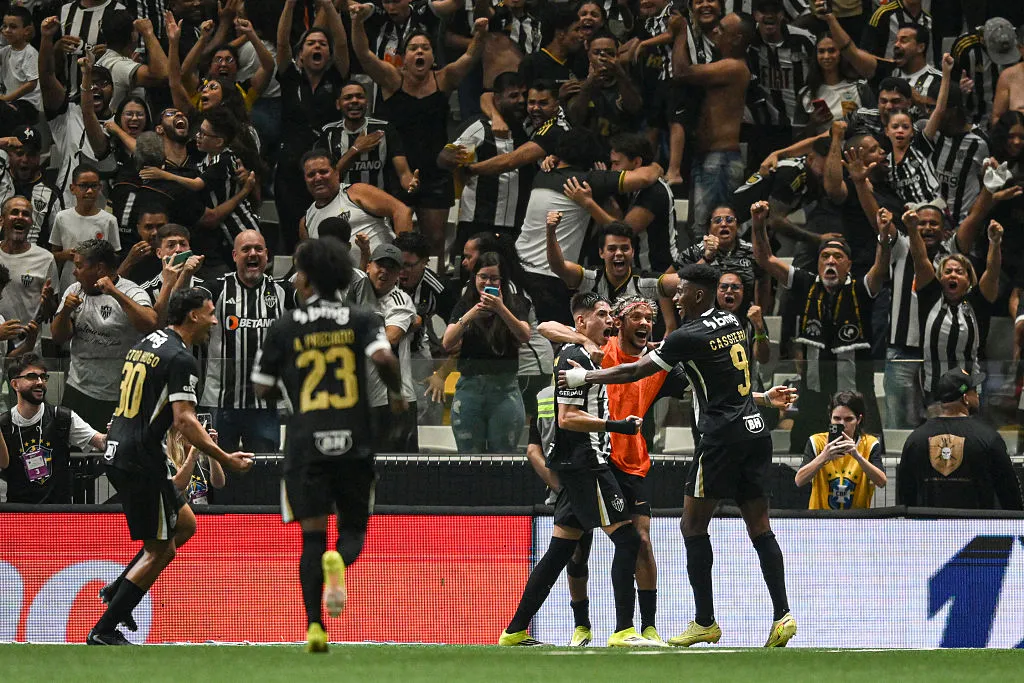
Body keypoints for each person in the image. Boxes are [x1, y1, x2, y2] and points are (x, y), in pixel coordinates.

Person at [559, 264, 798, 647]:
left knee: (692, 527)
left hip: (721, 440)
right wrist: (766, 399)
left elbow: (633, 371)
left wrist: (584, 378)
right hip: (755, 431)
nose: (675, 297)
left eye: (682, 291)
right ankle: (782, 614)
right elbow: (722, 380)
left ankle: (705, 620)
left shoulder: (686, 335)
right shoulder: (733, 321)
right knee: (760, 527)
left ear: (699, 295)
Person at [252, 237, 406, 653]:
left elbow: (261, 386)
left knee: (311, 538)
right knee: (352, 531)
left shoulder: (284, 325)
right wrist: (395, 398)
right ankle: (340, 563)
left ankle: (315, 627)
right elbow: (385, 360)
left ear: (304, 278)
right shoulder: (363, 318)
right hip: (354, 439)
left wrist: (293, 392)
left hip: (305, 442)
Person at [89, 288, 254, 645]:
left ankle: (121, 590)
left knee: (186, 524)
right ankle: (104, 630)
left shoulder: (148, 342)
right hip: (140, 459)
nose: (214, 320)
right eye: (210, 313)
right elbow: (184, 421)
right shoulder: (181, 359)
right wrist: (224, 457)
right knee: (160, 549)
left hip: (122, 448)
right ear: (193, 315)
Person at [499, 292, 660, 648]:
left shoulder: (586, 356)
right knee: (629, 539)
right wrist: (616, 427)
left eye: (610, 315)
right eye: (601, 314)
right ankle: (623, 631)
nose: (609, 320)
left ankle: (514, 631)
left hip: (578, 465)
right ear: (582, 321)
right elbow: (568, 419)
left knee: (559, 551)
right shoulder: (574, 356)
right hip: (586, 464)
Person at [351, 3, 487, 263]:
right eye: (413, 48)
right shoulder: (393, 79)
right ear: (404, 57)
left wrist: (480, 34)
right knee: (395, 239)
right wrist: (357, 22)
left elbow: (470, 58)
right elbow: (364, 54)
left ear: (433, 56)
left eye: (425, 48)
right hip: (397, 168)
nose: (420, 52)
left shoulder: (443, 79)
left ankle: (434, 292)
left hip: (435, 171)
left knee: (434, 241)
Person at [514, 128, 662, 324]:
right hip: (551, 277)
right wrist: (658, 166)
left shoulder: (542, 174)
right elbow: (646, 177)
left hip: (518, 269)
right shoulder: (586, 182)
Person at [200, 230, 293, 453]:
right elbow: (185, 306)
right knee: (218, 470)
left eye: (258, 249)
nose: (253, 253)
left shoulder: (283, 291)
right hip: (221, 400)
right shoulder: (216, 288)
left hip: (264, 405)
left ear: (267, 255)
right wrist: (182, 276)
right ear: (234, 255)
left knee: (264, 472)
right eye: (246, 249)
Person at [52, 239, 157, 431]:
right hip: (79, 388)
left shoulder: (132, 291)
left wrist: (114, 293)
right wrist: (66, 311)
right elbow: (58, 337)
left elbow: (150, 324)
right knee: (73, 451)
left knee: (115, 452)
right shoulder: (74, 290)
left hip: (120, 392)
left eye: (79, 266)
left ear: (99, 269)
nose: (74, 272)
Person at [273, 0, 351, 254]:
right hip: (290, 167)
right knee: (294, 229)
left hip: (326, 166)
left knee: (328, 226)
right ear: (300, 55)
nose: (317, 46)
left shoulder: (336, 77)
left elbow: (342, 43)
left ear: (328, 54)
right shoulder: (289, 77)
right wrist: (289, 5)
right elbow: (282, 43)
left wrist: (328, 6)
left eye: (322, 44)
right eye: (311, 43)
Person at [670, 12, 754, 237]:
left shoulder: (734, 67)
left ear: (737, 38)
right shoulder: (722, 65)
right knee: (701, 229)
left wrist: (680, 34)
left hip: (720, 159)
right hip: (709, 157)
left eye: (722, 28)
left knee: (714, 232)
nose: (715, 30)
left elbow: (681, 72)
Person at [906, 210, 1001, 407]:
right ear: (940, 278)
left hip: (969, 389)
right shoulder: (930, 296)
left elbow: (992, 272)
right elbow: (920, 259)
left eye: (959, 272)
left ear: (969, 279)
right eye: (947, 271)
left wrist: (995, 242)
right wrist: (912, 230)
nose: (953, 276)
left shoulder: (978, 301)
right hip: (934, 389)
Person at [442, 250, 531, 453]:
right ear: (475, 277)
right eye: (483, 277)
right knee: (469, 455)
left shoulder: (515, 303)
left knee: (503, 455)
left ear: (503, 280)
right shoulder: (465, 304)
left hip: (505, 389)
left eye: (494, 278)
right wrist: (472, 313)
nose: (488, 282)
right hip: (470, 388)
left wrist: (501, 309)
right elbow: (447, 342)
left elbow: (524, 335)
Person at [897, 368, 1023, 510]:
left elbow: (905, 495)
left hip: (929, 529)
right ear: (965, 398)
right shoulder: (988, 438)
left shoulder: (915, 440)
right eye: (974, 390)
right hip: (977, 528)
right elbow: (1009, 493)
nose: (978, 395)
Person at [437, 71, 532, 260]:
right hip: (478, 222)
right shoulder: (480, 127)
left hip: (516, 225)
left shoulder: (528, 129)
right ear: (497, 99)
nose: (521, 100)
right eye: (513, 96)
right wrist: (455, 159)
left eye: (524, 95)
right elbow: (444, 158)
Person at [0, 353, 106, 505]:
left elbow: (100, 441)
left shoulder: (61, 417)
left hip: (58, 513)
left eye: (43, 377)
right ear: (15, 384)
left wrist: (119, 431)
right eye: (31, 377)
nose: (40, 382)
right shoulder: (4, 424)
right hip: (19, 514)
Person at [299, 150, 414, 262]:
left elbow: (402, 211)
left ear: (336, 173)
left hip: (384, 275)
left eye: (323, 172)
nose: (318, 178)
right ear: (305, 179)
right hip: (340, 279)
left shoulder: (356, 192)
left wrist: (402, 260)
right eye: (311, 174)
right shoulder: (306, 222)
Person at [316, 80, 415, 192]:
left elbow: (404, 173)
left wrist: (410, 183)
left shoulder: (385, 129)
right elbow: (328, 178)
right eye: (348, 97)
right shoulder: (329, 132)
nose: (354, 101)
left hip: (378, 200)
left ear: (367, 102)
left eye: (360, 96)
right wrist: (355, 149)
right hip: (342, 202)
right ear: (338, 104)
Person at [794, 390, 886, 510]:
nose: (842, 424)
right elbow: (799, 480)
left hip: (857, 520)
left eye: (848, 419)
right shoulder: (817, 442)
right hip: (821, 520)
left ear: (858, 420)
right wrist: (824, 456)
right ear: (830, 418)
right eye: (837, 419)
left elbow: (882, 482)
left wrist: (858, 457)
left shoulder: (870, 444)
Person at [49, 164, 121, 295]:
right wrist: (65, 255)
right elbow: (53, 255)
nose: (89, 191)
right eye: (83, 186)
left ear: (100, 187)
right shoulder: (62, 217)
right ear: (72, 188)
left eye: (94, 186)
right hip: (69, 281)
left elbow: (114, 256)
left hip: (98, 285)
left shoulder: (109, 220)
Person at [0, 197, 59, 354]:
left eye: (25, 214)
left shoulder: (45, 259)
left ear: (31, 222)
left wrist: (47, 302)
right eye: (14, 212)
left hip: (27, 350)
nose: (20, 217)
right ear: (2, 220)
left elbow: (49, 313)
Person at [0, 6, 41, 121]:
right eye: (5, 26)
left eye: (13, 27)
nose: (7, 30)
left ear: (26, 30)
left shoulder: (30, 53)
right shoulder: (5, 51)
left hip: (27, 104)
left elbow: (31, 84)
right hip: (10, 101)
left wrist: (7, 98)